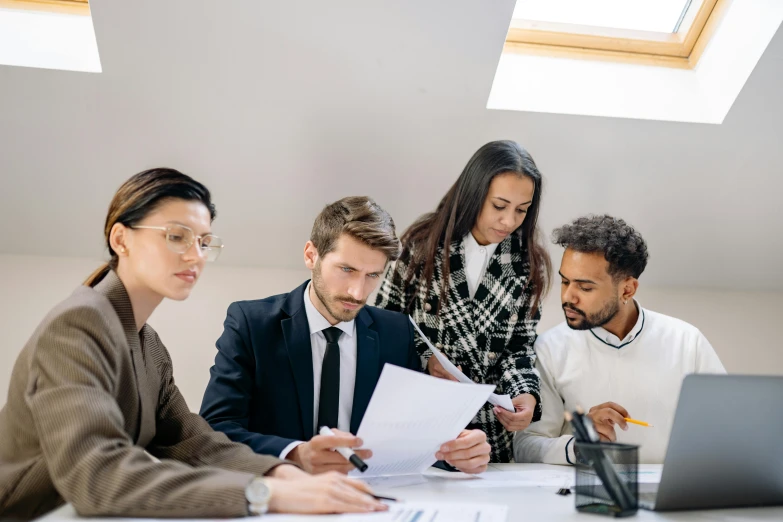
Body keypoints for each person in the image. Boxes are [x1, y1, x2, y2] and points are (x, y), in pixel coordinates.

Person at [0, 169, 386, 520]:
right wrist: (266, 492)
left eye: (203, 241)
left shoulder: (147, 340)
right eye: (176, 236)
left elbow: (193, 442)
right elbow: (97, 475)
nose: (195, 255)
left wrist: (284, 472)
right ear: (121, 239)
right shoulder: (79, 324)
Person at [200, 196, 491, 475]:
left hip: (371, 501)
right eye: (346, 270)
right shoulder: (252, 324)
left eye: (372, 275)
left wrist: (456, 453)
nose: (358, 292)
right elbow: (216, 429)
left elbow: (412, 439)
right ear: (311, 255)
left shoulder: (396, 333)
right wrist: (295, 454)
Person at [375, 140, 552, 463]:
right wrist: (427, 358)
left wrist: (525, 393)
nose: (509, 221)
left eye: (521, 210)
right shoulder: (421, 244)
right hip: (422, 415)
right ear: (474, 193)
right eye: (499, 205)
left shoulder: (528, 263)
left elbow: (521, 346)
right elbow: (383, 325)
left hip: (488, 432)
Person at [514, 215, 726, 465]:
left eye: (585, 287)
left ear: (627, 289)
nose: (568, 296)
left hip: (671, 494)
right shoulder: (549, 348)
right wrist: (579, 444)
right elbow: (525, 446)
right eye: (565, 281)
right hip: (584, 495)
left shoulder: (687, 342)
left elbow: (727, 429)